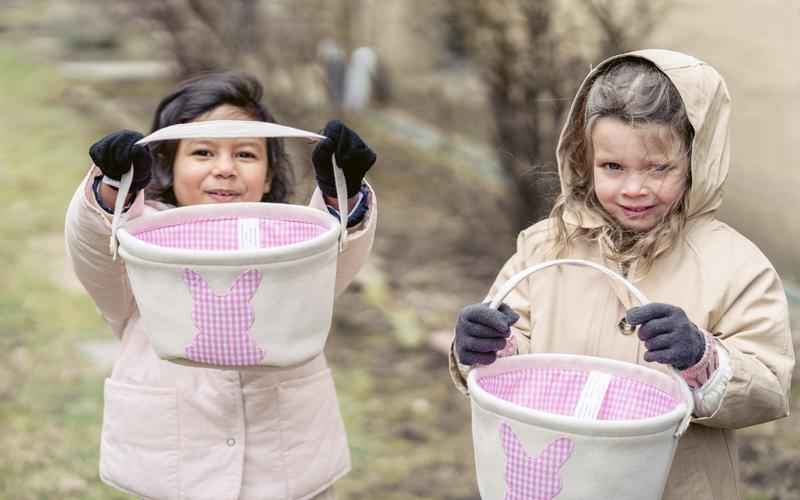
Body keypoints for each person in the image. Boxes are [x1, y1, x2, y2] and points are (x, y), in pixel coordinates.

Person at [450, 49, 794, 499]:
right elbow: (516, 358)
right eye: (612, 167)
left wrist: (702, 358)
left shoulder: (736, 265)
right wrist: (484, 346)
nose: (634, 189)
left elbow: (769, 387)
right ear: (583, 158)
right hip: (556, 485)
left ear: (697, 161)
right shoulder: (545, 247)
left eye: (659, 168)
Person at [65, 72, 377, 500]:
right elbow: (94, 250)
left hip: (285, 465)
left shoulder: (295, 239)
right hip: (174, 467)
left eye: (246, 154)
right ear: (167, 167)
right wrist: (111, 190)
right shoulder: (138, 240)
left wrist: (340, 198)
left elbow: (334, 259)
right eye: (203, 152)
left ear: (269, 176)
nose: (225, 169)